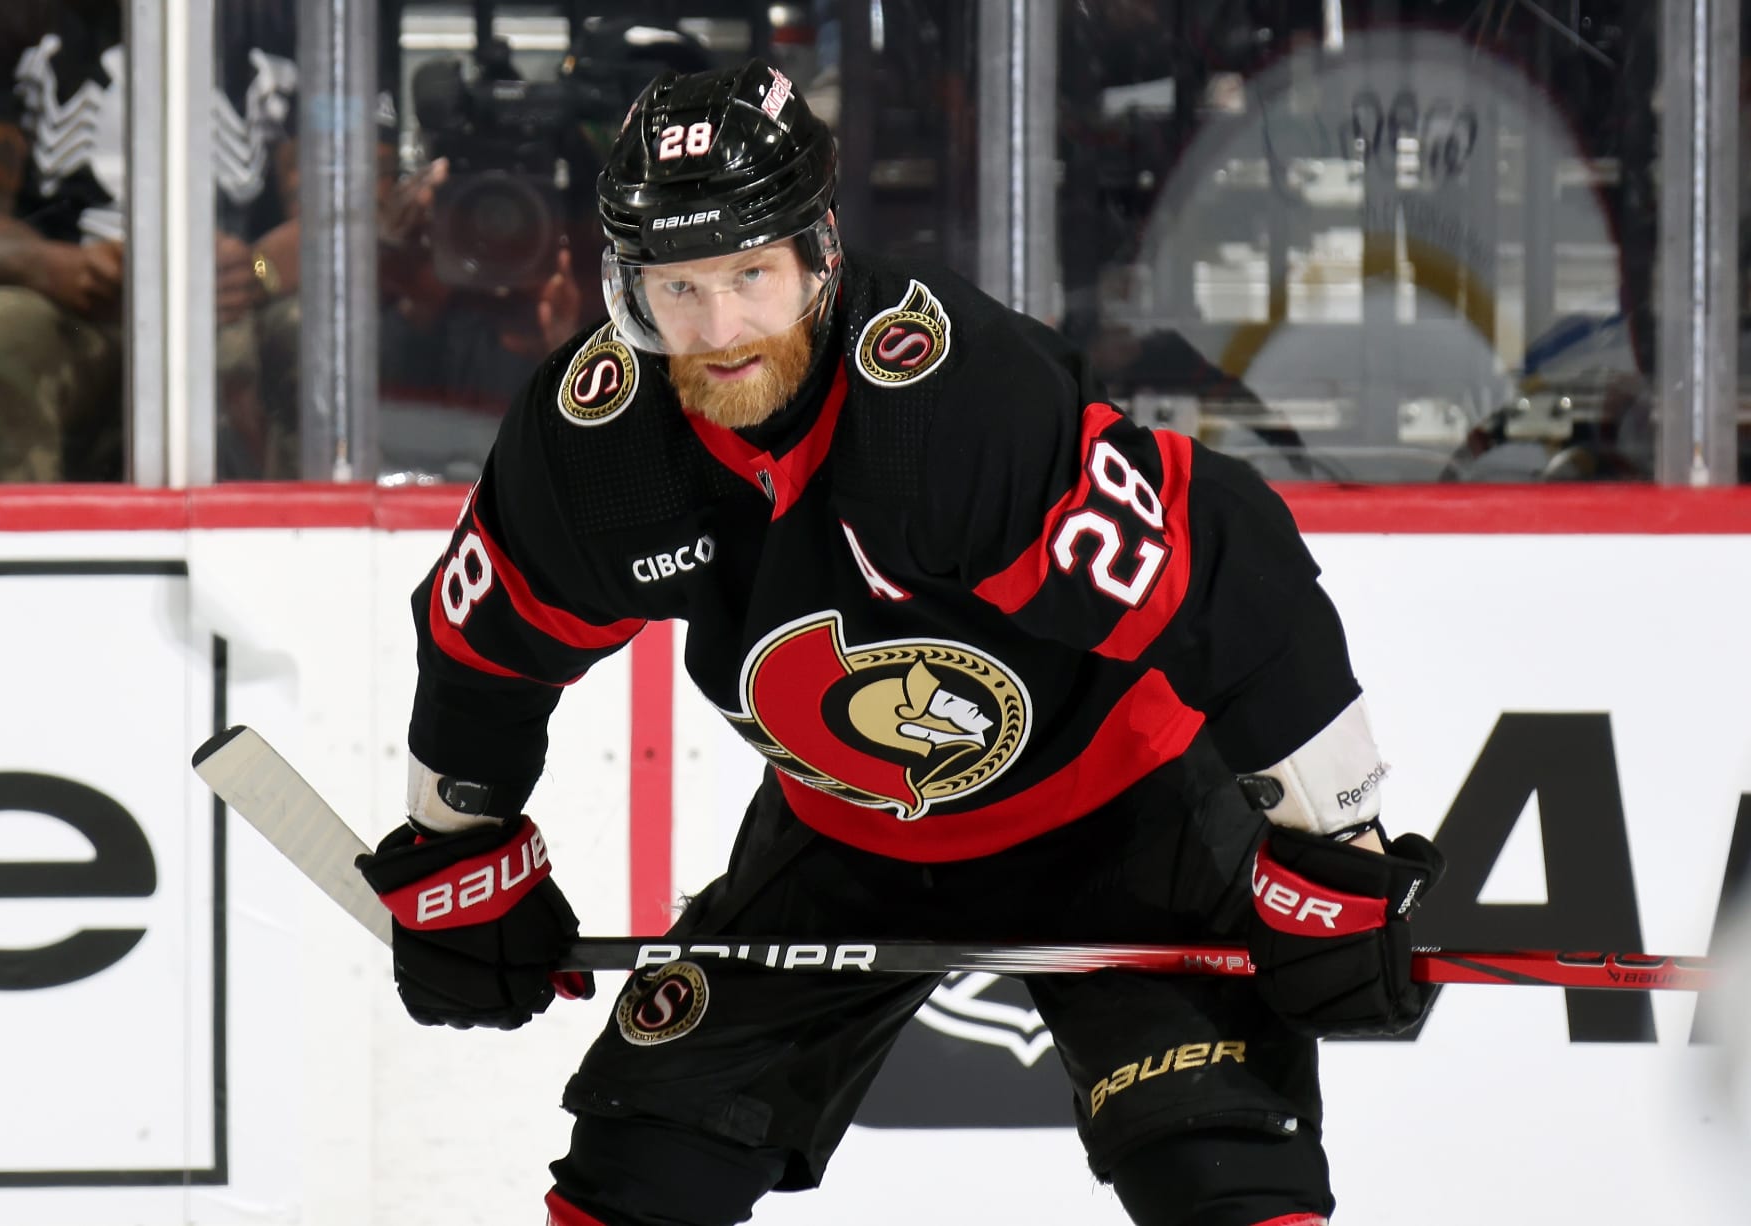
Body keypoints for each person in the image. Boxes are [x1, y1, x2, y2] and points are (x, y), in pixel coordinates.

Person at [356, 60, 1446, 1226]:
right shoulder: (601, 443)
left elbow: (1228, 565)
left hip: (1123, 812)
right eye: (676, 288)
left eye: (751, 275)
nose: (719, 330)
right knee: (638, 1177)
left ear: (819, 252)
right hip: (843, 835)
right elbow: (484, 643)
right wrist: (458, 851)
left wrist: (1338, 850)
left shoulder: (946, 408)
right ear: (628, 287)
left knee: (1228, 1184)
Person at [0, 0, 303, 482]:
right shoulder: (18, 16)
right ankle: (2, 552)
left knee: (314, 336)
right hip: (67, 302)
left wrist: (260, 269)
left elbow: (357, 208)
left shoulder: (285, 15)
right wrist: (52, 266)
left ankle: (314, 543)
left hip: (241, 296)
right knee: (0, 337)